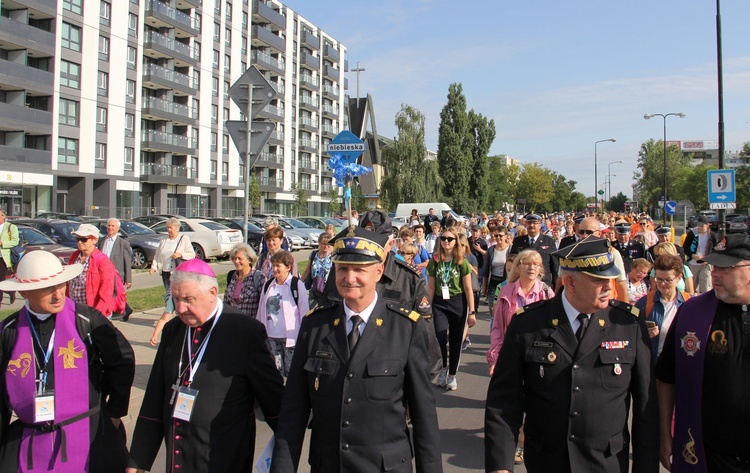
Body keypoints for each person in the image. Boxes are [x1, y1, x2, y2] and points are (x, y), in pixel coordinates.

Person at [270, 227, 442, 473]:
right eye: (342, 269)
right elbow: (294, 412)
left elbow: (424, 416)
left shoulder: (405, 328)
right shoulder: (315, 325)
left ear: (378, 272)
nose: (349, 278)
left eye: (359, 270)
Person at [485, 237, 659, 473]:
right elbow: (504, 400)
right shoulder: (529, 323)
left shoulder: (628, 323)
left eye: (609, 278)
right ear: (570, 282)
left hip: (606, 463)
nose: (609, 286)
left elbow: (646, 406)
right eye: (598, 280)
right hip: (547, 461)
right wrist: (500, 465)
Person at [127, 259, 284, 473]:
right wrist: (138, 460)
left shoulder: (245, 332)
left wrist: (287, 454)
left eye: (188, 299)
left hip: (223, 458)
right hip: (179, 458)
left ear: (212, 292)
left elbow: (273, 400)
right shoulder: (174, 330)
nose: (180, 308)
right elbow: (155, 396)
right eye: (176, 299)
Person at [0, 250, 135, 472]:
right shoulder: (8, 331)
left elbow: (122, 361)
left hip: (87, 431)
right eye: (47, 288)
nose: (58, 294)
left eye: (61, 284)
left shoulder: (86, 319)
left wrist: (114, 410)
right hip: (30, 438)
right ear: (25, 293)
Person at [656, 234, 750, 472]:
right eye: (714, 266)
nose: (715, 273)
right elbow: (666, 377)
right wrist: (665, 434)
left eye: (725, 267)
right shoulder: (691, 313)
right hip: (709, 453)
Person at [321, 210, 442, 375]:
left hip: (392, 373)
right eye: (365, 242)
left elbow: (425, 332)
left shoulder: (408, 279)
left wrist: (420, 378)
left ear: (390, 244)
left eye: (377, 243)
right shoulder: (342, 275)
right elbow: (325, 321)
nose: (372, 250)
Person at [427, 226, 475, 390]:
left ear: (456, 242)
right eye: (443, 238)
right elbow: (431, 287)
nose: (446, 241)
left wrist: (472, 312)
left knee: (455, 340)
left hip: (458, 302)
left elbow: (468, 288)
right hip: (440, 302)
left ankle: (452, 374)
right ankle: (443, 368)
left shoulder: (462, 262)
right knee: (439, 337)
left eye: (450, 239)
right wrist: (427, 306)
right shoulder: (435, 260)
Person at [256, 250, 309, 377]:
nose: (274, 269)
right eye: (273, 265)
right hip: (271, 336)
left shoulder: (296, 285)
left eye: (278, 266)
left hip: (291, 338)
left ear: (288, 267)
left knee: (292, 372)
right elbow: (261, 310)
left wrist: (304, 335)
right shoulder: (268, 285)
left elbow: (304, 311)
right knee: (275, 371)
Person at [635, 254, 690, 363]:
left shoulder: (689, 303)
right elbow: (629, 334)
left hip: (681, 364)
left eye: (668, 280)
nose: (663, 284)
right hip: (653, 365)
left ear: (679, 278)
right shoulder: (644, 303)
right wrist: (642, 334)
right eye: (659, 279)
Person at [67, 223, 119, 318]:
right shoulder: (74, 257)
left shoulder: (102, 261)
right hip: (73, 311)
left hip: (92, 312)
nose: (79, 242)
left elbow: (106, 293)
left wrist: (97, 316)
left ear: (94, 240)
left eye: (84, 239)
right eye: (78, 239)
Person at [509, 214, 558, 287]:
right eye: (529, 223)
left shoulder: (549, 241)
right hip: (522, 284)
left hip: (543, 284)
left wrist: (556, 286)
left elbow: (555, 266)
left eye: (535, 223)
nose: (532, 225)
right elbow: (511, 262)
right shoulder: (518, 241)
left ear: (540, 225)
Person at [98, 218, 133, 320]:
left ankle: (119, 311)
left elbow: (127, 262)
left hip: (116, 274)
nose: (110, 228)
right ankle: (114, 312)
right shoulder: (102, 241)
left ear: (118, 228)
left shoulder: (123, 243)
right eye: (109, 226)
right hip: (103, 273)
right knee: (107, 293)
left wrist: (128, 279)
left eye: (113, 226)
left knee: (115, 294)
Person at [224, 242, 262, 317]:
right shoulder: (232, 276)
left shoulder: (258, 277)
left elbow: (263, 304)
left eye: (239, 259)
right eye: (235, 259)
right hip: (234, 323)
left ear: (249, 260)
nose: (236, 261)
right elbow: (226, 302)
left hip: (251, 323)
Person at [683, 215, 719, 294]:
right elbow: (685, 248)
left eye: (701, 226)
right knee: (692, 286)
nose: (699, 227)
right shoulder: (692, 233)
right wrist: (693, 256)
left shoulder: (712, 235)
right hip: (693, 263)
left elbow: (715, 250)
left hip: (706, 264)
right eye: (698, 225)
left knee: (705, 287)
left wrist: (708, 260)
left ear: (707, 225)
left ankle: (706, 304)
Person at [482, 226, 511, 315]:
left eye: (500, 235)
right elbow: (486, 269)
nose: (498, 238)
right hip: (493, 283)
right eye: (496, 235)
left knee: (506, 309)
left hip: (506, 282)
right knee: (493, 309)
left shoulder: (510, 249)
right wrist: (484, 287)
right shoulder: (491, 250)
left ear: (506, 236)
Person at [300, 233, 334, 308]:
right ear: (319, 243)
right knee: (312, 313)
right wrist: (299, 283)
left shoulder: (333, 256)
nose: (326, 246)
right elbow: (307, 270)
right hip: (314, 289)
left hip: (327, 291)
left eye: (328, 244)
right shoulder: (313, 254)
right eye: (323, 244)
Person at [0, 209, 19, 305]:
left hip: (3, 258)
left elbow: (15, 241)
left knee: (0, 281)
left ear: (3, 216)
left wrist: (2, 243)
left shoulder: (11, 227)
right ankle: (10, 291)